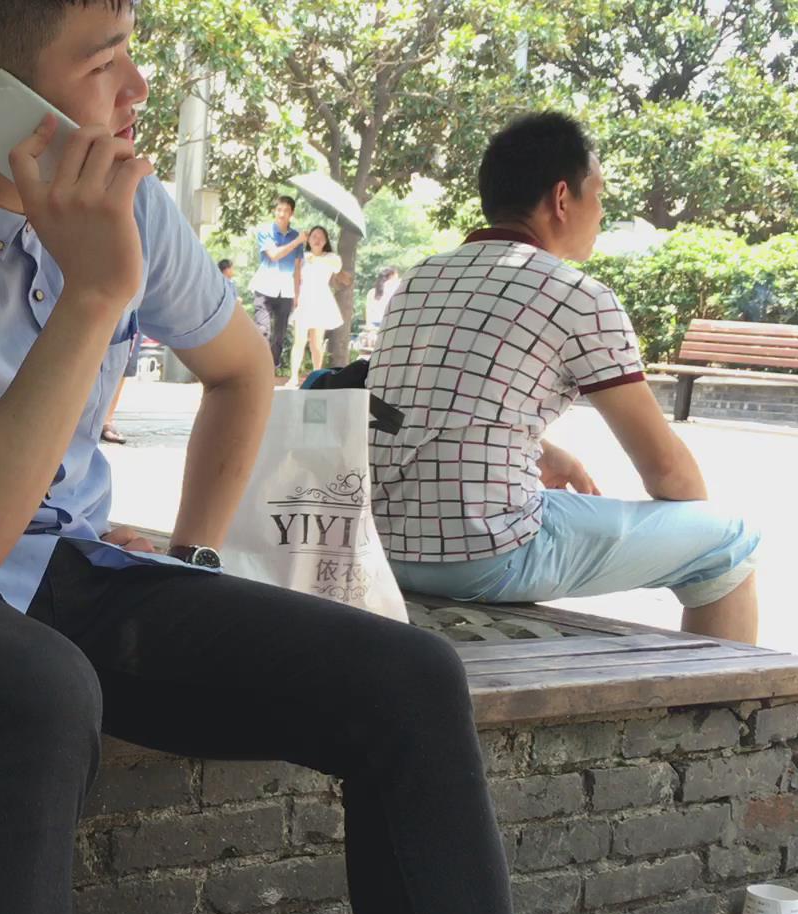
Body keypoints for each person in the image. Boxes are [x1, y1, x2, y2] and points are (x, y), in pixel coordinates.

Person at [0, 2, 533, 914]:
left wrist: (192, 556)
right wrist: (94, 294)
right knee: (35, 693)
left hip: (73, 565)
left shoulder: (137, 204)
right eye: (104, 64)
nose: (137, 88)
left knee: (412, 677)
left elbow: (240, 371)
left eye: (132, 52)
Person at [370, 111, 760, 648]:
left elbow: (426, 407)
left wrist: (549, 453)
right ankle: (733, 698)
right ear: (561, 198)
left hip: (382, 543)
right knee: (728, 541)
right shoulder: (577, 296)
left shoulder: (418, 280)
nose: (601, 213)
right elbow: (665, 469)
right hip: (487, 553)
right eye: (597, 195)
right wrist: (696, 524)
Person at [249, 194, 305, 376]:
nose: (281, 214)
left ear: (292, 214)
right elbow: (274, 255)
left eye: (286, 211)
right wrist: (297, 242)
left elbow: (297, 268)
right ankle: (258, 368)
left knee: (279, 336)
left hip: (286, 291)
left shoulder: (296, 236)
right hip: (264, 288)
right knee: (262, 330)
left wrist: (297, 295)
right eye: (279, 210)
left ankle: (271, 368)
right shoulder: (266, 231)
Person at [291, 223, 346, 379]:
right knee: (299, 340)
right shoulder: (302, 257)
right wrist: (295, 297)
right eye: (314, 236)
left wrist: (315, 258)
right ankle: (293, 377)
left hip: (321, 300)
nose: (317, 240)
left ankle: (316, 375)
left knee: (316, 342)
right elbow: (295, 277)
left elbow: (336, 267)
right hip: (304, 299)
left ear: (325, 241)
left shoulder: (332, 258)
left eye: (321, 237)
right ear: (308, 240)